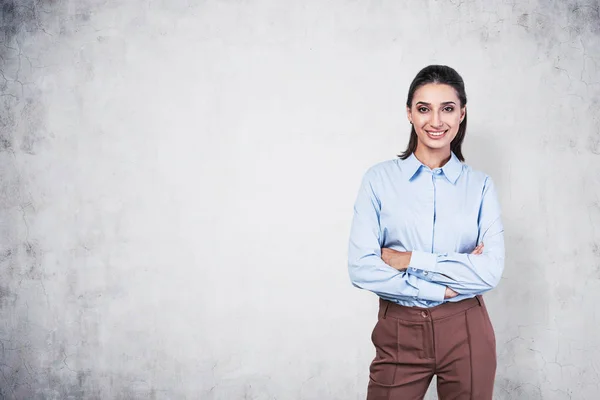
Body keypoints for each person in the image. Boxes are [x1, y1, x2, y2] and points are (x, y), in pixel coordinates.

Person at [347, 65, 505, 400]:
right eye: (424, 109)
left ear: (462, 113)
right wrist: (445, 286)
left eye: (447, 108)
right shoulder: (378, 180)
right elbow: (361, 267)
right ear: (409, 113)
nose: (436, 121)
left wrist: (407, 259)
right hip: (399, 329)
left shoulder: (480, 186)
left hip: (467, 330)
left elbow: (489, 272)